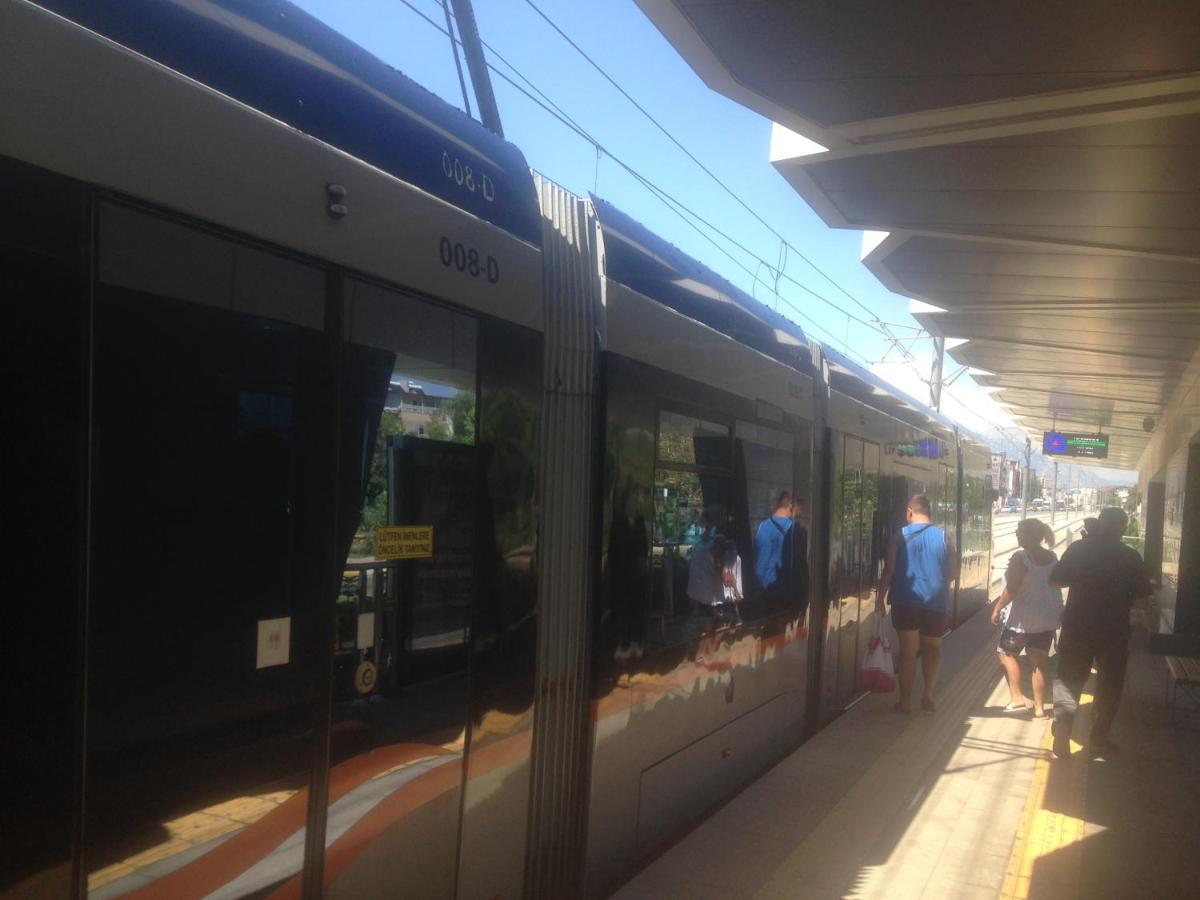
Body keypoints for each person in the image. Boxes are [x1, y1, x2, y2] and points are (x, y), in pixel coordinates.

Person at [1049, 507, 1153, 759]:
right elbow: (1140, 601)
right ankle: (1098, 739)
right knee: (1110, 686)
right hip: (1113, 633)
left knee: (1069, 681)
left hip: (1077, 628)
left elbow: (1055, 581)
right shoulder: (1131, 557)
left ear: (1100, 523)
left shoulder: (1078, 549)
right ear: (1124, 529)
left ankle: (1062, 733)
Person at [877, 494, 959, 714]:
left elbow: (889, 570)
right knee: (933, 649)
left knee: (908, 653)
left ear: (910, 512)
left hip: (905, 601)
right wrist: (935, 583)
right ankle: (929, 694)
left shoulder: (899, 536)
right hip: (936, 602)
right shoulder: (945, 537)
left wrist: (879, 598)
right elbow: (953, 571)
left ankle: (905, 702)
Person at [990, 519, 1062, 717]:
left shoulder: (1020, 558)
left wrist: (997, 608)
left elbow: (1011, 589)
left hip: (1022, 620)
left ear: (1030, 535)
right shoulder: (1052, 556)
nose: (1016, 534)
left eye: (1019, 531)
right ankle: (1039, 709)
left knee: (1005, 653)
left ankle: (1017, 699)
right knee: (1039, 660)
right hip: (1047, 618)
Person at [687, 506, 743, 627]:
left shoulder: (702, 540)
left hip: (699, 598)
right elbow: (719, 565)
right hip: (716, 602)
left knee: (705, 635)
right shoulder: (719, 539)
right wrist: (735, 588)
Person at [755, 491, 794, 610]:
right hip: (783, 588)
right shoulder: (792, 527)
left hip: (763, 587)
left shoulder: (762, 526)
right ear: (791, 506)